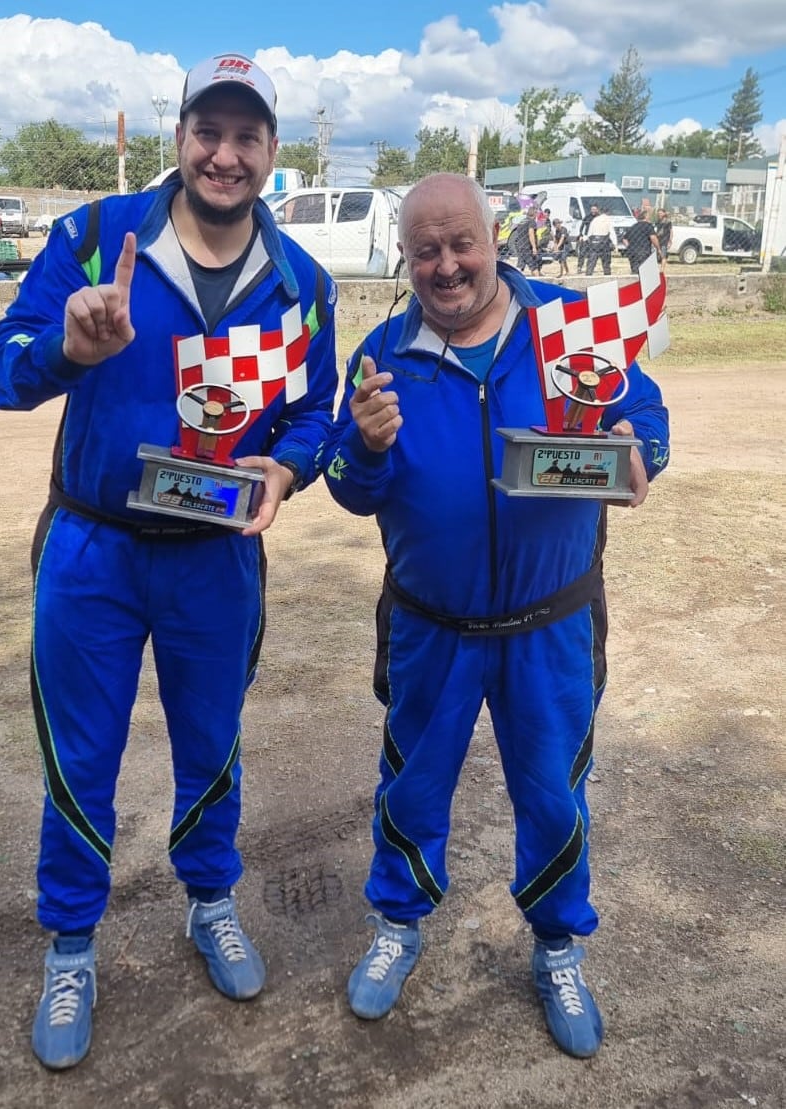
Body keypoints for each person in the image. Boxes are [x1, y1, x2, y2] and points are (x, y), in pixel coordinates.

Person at [0, 52, 338, 1071]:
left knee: (212, 744)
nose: (225, 155)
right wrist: (67, 351)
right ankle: (71, 944)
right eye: (208, 131)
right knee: (81, 755)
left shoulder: (302, 285)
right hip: (92, 544)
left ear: (272, 150)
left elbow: (317, 411)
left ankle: (210, 901)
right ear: (180, 136)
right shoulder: (96, 239)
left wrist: (289, 466)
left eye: (246, 136)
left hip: (214, 556)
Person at [321, 173, 669, 1060]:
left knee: (554, 792)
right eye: (425, 251)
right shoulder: (382, 353)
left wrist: (639, 449)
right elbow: (347, 486)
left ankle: (557, 946)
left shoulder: (566, 323)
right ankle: (397, 924)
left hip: (552, 624)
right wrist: (364, 446)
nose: (446, 266)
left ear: (493, 239)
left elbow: (643, 408)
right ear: (405, 258)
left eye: (461, 244)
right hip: (429, 623)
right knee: (410, 783)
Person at [621, 209, 660, 274]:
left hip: (632, 252)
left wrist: (629, 246)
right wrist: (658, 248)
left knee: (635, 271)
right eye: (649, 216)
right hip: (643, 251)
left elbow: (624, 239)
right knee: (644, 272)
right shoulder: (648, 226)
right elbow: (653, 237)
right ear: (646, 217)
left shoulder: (633, 226)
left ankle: (635, 277)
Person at [585, 204, 614, 275]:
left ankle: (588, 273)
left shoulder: (595, 220)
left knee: (591, 261)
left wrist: (588, 240)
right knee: (606, 262)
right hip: (604, 242)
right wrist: (614, 243)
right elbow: (612, 232)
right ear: (608, 212)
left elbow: (589, 233)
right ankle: (607, 274)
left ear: (600, 212)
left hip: (594, 241)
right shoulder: (608, 219)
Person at [576, 203, 599, 273]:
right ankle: (579, 267)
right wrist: (581, 235)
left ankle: (591, 267)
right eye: (592, 209)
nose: (593, 211)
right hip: (586, 237)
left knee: (594, 253)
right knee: (582, 252)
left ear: (597, 210)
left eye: (594, 209)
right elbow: (582, 226)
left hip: (595, 237)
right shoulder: (587, 217)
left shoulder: (599, 218)